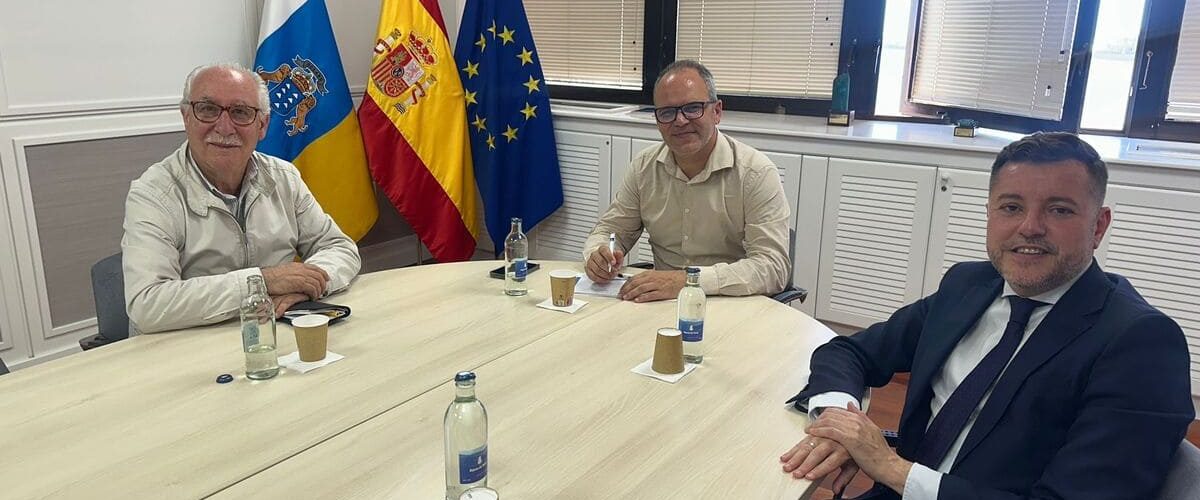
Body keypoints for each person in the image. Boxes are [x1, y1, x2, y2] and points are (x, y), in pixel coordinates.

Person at [780, 132, 1193, 499]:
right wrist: (838, 419)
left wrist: (891, 468)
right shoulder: (969, 285)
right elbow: (849, 351)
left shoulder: (1142, 344)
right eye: (1011, 207)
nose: (1030, 227)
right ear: (989, 214)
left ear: (1099, 226)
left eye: (1060, 210)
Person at [121, 63, 361, 334]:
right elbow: (147, 305)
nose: (224, 127)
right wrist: (263, 283)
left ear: (262, 125)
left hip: (277, 334)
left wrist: (306, 287)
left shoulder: (283, 177)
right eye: (208, 109)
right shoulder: (153, 194)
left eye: (241, 112)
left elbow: (340, 248)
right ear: (186, 116)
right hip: (192, 349)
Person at [582, 60, 790, 302]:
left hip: (729, 302)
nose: (679, 121)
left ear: (717, 112)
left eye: (692, 108)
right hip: (660, 302)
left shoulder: (756, 173)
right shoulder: (644, 167)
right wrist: (598, 254)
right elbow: (610, 231)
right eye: (667, 112)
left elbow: (773, 268)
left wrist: (687, 280)